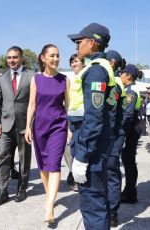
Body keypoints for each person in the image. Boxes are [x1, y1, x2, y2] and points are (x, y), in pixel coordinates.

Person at [67, 22, 117, 229]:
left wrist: (82, 155)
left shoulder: (96, 71)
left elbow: (94, 117)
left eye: (79, 42)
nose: (76, 46)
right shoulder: (96, 68)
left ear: (92, 43)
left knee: (92, 201)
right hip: (95, 139)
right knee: (96, 197)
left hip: (91, 144)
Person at [25, 44, 69, 223]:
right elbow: (32, 105)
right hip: (40, 127)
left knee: (54, 164)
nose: (56, 59)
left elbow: (68, 106)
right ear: (43, 58)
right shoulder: (35, 80)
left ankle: (50, 207)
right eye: (52, 55)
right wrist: (28, 126)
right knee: (43, 165)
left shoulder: (65, 80)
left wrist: (70, 128)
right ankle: (48, 196)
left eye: (58, 55)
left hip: (58, 126)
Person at [0, 46, 34, 206]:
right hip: (6, 126)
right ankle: (3, 191)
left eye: (15, 57)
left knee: (24, 160)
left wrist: (32, 125)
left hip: (25, 126)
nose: (11, 60)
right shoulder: (2, 79)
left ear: (21, 58)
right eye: (9, 57)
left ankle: (22, 188)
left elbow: (35, 103)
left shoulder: (32, 76)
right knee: (3, 158)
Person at [104, 49, 126, 227]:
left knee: (111, 174)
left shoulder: (116, 86)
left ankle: (112, 212)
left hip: (111, 137)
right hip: (109, 136)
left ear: (111, 63)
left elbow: (111, 114)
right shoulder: (115, 84)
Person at [119, 64, 143, 204]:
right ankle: (130, 191)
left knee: (129, 161)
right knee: (128, 161)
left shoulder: (131, 91)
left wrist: (121, 132)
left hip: (131, 129)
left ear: (128, 75)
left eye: (122, 73)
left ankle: (130, 193)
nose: (120, 75)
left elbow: (127, 114)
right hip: (132, 128)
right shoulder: (129, 88)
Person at [64, 54, 83, 192]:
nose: (74, 63)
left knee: (79, 149)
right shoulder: (69, 79)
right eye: (72, 62)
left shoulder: (86, 75)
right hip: (71, 117)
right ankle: (73, 171)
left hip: (84, 119)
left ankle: (79, 179)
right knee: (67, 148)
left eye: (76, 61)